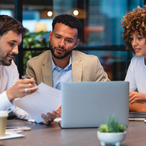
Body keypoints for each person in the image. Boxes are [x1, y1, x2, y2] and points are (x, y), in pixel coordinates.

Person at [24, 14, 110, 124]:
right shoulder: (34, 65)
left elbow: (107, 96)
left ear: (75, 43)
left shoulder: (91, 63)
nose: (61, 44)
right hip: (47, 127)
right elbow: (26, 103)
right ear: (50, 36)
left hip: (81, 124)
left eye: (69, 40)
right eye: (58, 37)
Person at [0, 15, 38, 116]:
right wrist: (10, 94)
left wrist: (40, 115)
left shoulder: (11, 66)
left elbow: (17, 105)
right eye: (11, 44)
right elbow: (11, 97)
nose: (16, 51)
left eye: (18, 45)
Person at [121, 5, 146, 112]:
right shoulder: (136, 61)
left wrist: (144, 97)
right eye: (132, 38)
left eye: (139, 38)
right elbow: (124, 100)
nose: (134, 43)